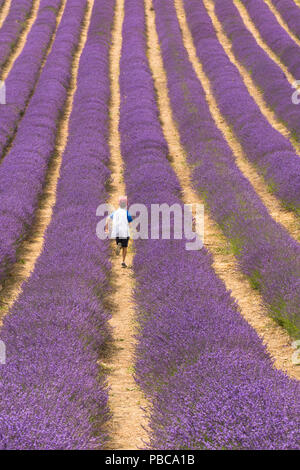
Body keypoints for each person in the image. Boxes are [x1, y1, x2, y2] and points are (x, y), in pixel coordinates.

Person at [105, 196, 133, 268]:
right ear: (126, 204)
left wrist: (107, 228)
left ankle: (119, 246)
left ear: (119, 204)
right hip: (125, 232)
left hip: (117, 232)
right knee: (125, 247)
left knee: (119, 243)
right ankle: (123, 261)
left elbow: (107, 219)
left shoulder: (115, 212)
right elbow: (130, 223)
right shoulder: (126, 213)